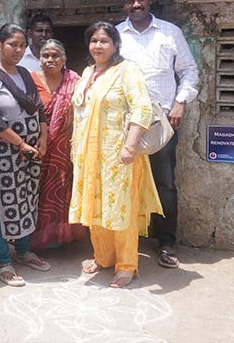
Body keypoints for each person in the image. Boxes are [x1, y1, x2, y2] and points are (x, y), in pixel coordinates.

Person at [70, 22, 163, 288]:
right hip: (88, 154)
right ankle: (103, 256)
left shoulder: (127, 70)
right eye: (94, 41)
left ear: (115, 45)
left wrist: (129, 146)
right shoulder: (87, 73)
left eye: (104, 41)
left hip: (118, 154)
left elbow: (142, 109)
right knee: (95, 205)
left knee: (120, 209)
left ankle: (126, 264)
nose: (98, 46)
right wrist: (75, 147)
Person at [116, 0, 199, 269]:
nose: (135, 4)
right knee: (126, 184)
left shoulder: (169, 32)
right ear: (123, 3)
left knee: (164, 183)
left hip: (162, 124)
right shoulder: (116, 36)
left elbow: (189, 72)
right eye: (129, 0)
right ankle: (128, 242)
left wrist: (180, 102)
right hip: (124, 128)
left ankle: (166, 243)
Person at [0, 23, 50, 287]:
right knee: (3, 204)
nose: (18, 50)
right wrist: (20, 143)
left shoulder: (26, 75)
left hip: (31, 150)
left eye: (22, 45)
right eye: (12, 45)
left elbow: (39, 108)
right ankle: (3, 260)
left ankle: (24, 250)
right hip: (2, 153)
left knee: (27, 198)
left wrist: (42, 137)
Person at [29, 39, 86, 250]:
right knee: (35, 192)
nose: (50, 59)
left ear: (64, 59)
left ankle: (59, 237)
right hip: (36, 146)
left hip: (65, 148)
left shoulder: (75, 80)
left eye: (55, 56)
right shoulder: (30, 79)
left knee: (62, 190)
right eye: (46, 55)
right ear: (39, 58)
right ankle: (34, 239)